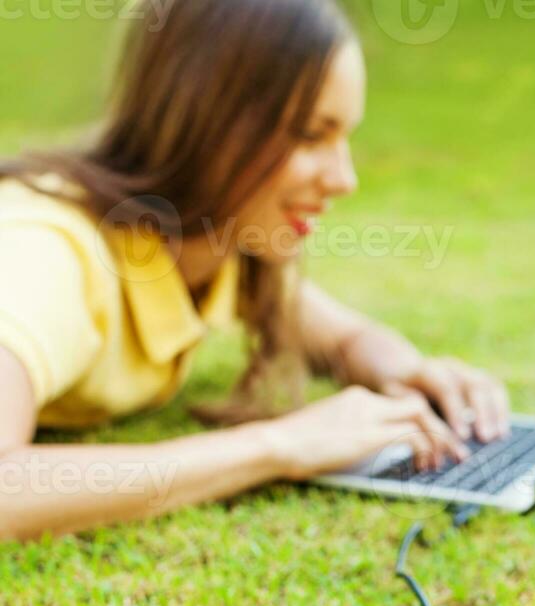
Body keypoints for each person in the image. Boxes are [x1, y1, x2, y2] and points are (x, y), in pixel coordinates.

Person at [0, 0, 509, 542]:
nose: (345, 179)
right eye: (312, 135)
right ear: (208, 124)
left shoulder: (215, 242)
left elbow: (341, 338)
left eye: (345, 137)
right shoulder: (45, 254)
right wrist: (279, 445)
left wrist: (404, 370)